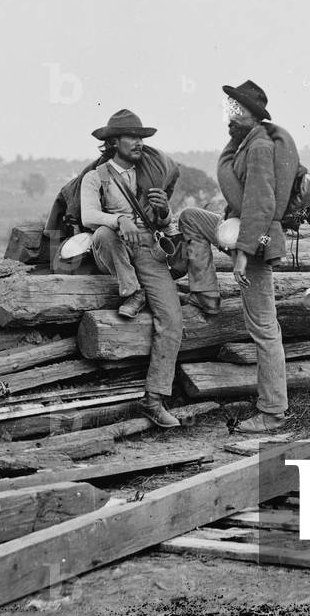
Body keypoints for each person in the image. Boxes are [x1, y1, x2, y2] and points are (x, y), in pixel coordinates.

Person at [178, 80, 298, 434]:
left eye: (238, 110)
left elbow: (262, 204)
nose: (230, 116)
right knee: (190, 218)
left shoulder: (259, 146)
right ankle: (206, 293)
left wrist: (243, 256)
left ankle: (273, 411)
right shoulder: (243, 143)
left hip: (256, 240)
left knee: (264, 328)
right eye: (229, 108)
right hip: (240, 228)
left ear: (255, 114)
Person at [79, 109, 184, 429]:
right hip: (116, 248)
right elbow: (88, 216)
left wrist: (164, 212)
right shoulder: (96, 177)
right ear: (113, 142)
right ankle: (132, 290)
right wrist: (117, 219)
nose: (138, 143)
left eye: (141, 137)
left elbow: (162, 222)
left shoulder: (149, 173)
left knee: (172, 319)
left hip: (149, 250)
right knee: (103, 233)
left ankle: (153, 399)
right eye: (131, 137)